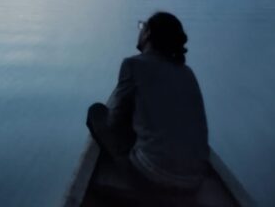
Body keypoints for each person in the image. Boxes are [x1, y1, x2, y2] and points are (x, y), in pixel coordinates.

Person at [86, 12, 209, 192]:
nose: (140, 31)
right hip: (195, 181)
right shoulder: (187, 72)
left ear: (148, 33)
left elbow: (114, 122)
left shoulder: (133, 65)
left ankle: (121, 174)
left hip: (153, 177)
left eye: (142, 27)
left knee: (96, 112)